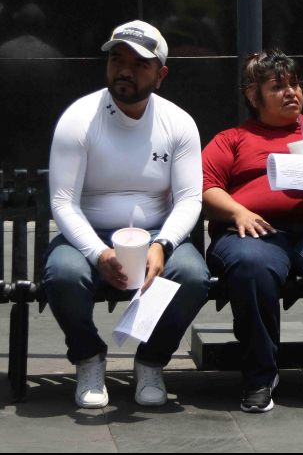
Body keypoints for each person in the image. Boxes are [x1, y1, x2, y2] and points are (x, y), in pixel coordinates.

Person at [44, 20, 210, 409]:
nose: (124, 70)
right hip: (89, 233)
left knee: (193, 275)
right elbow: (63, 201)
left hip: (156, 232)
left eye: (139, 64)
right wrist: (96, 253)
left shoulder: (179, 123)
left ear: (161, 74)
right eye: (117, 59)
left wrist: (164, 246)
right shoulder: (78, 118)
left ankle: (151, 361)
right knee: (63, 274)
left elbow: (189, 199)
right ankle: (88, 357)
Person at [202, 49, 303, 413]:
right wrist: (238, 211)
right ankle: (260, 375)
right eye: (278, 86)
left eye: (294, 84)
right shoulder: (232, 138)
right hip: (256, 228)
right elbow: (204, 187)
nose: (291, 92)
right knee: (251, 266)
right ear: (253, 95)